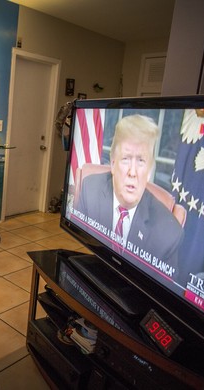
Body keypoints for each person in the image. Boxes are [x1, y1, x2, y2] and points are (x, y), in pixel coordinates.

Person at [75, 114, 183, 280]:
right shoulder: (90, 189)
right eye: (125, 159)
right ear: (112, 163)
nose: (132, 172)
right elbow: (80, 248)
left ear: (150, 170)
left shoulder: (168, 233)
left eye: (141, 161)